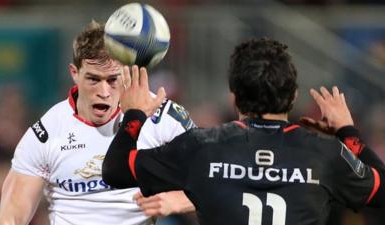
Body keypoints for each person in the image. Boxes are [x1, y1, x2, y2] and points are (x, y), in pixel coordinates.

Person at [102, 38, 385, 225]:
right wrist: (347, 132)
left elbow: (115, 170)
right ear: (294, 96)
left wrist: (134, 113)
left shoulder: (201, 147)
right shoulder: (325, 155)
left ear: (234, 97)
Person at [0, 21, 197, 225]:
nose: (103, 92)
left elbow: (219, 176)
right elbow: (10, 219)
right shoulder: (47, 132)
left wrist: (179, 200)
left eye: (112, 80)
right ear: (75, 73)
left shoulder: (161, 117)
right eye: (93, 79)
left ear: (126, 73)